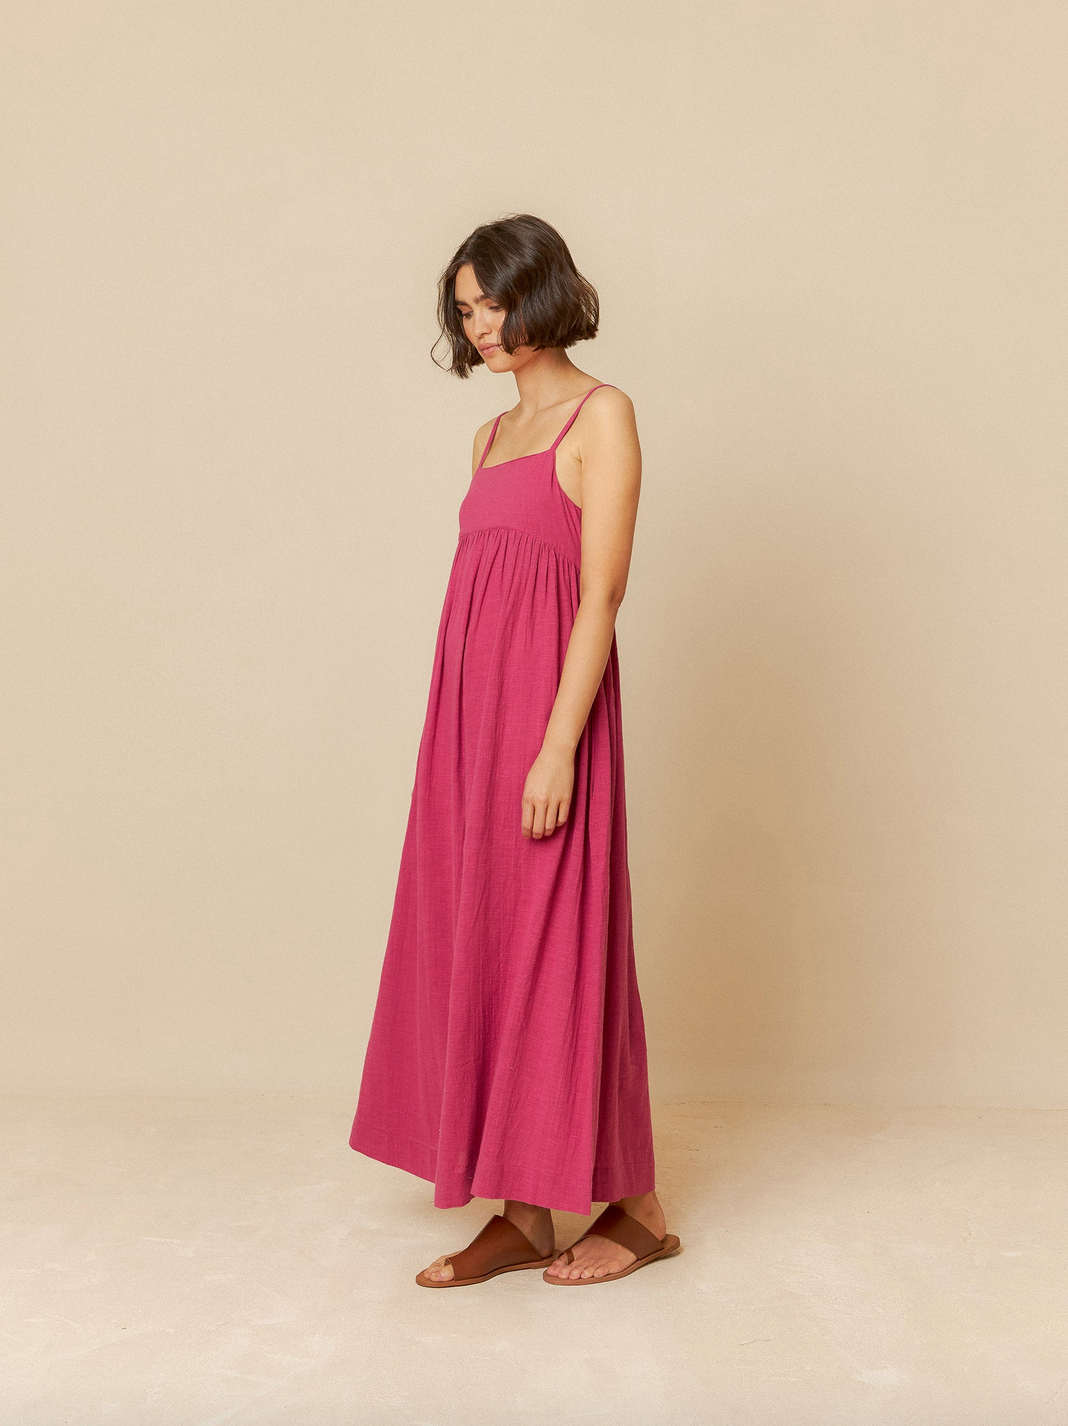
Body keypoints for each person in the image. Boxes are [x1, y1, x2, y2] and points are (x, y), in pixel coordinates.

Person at [349, 213, 681, 1286]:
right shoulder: (487, 439)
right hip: (467, 722)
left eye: (492, 301)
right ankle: (525, 1205)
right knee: (483, 934)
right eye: (465, 309)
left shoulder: (603, 415)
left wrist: (557, 747)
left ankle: (636, 1209)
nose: (481, 325)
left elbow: (601, 593)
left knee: (565, 940)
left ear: (542, 291)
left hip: (549, 719)